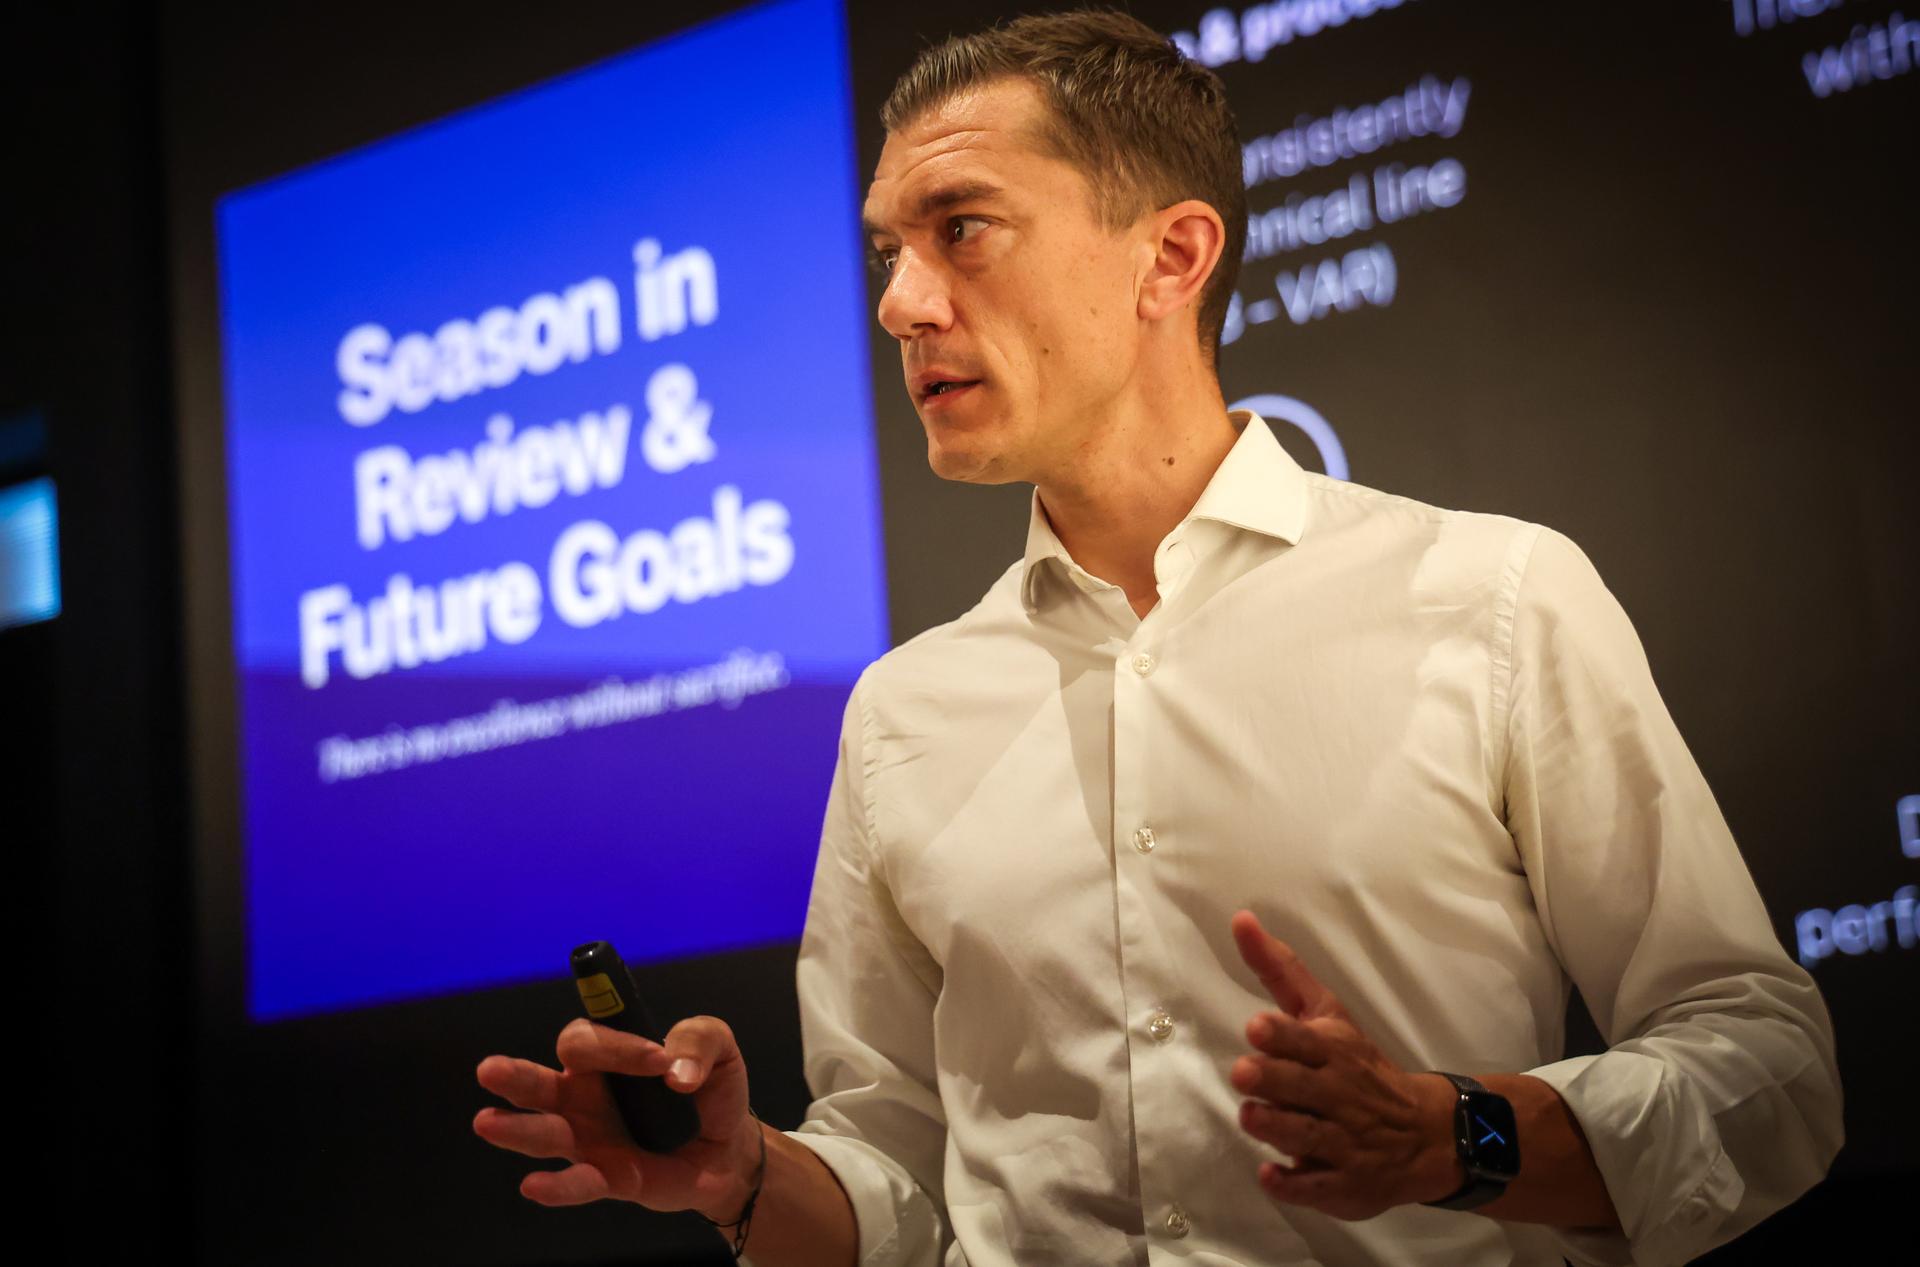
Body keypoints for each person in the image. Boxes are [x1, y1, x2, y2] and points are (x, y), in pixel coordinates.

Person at [473, 10, 1842, 1264]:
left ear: (1171, 257)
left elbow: (1765, 1068)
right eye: (888, 252)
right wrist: (745, 1179)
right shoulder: (903, 713)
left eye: (963, 228)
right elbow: (895, 1176)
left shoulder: (1491, 598)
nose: (901, 303)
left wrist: (1458, 1138)